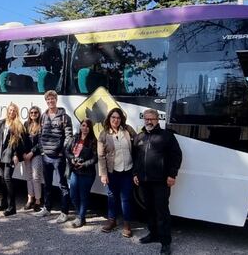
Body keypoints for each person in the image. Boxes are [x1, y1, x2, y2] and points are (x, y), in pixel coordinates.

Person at [133, 109, 183, 255]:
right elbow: (135, 157)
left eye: (152, 119)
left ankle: (165, 242)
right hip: (144, 181)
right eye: (146, 119)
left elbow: (177, 156)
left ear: (157, 119)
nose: (149, 121)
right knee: (149, 210)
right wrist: (135, 173)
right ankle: (153, 234)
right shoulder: (139, 137)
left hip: (161, 181)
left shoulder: (167, 136)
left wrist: (172, 175)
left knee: (162, 212)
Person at [34, 90, 73, 224]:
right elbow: (40, 135)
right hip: (46, 157)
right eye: (48, 100)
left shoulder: (64, 117)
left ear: (56, 100)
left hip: (58, 157)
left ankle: (64, 212)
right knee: (47, 185)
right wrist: (42, 151)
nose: (50, 101)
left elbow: (69, 137)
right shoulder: (43, 116)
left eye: (52, 99)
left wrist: (62, 151)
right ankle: (47, 208)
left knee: (63, 185)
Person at [98, 108, 137, 237]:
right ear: (109, 119)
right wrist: (103, 174)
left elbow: (137, 142)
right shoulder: (103, 134)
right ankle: (112, 220)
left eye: (118, 118)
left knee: (126, 199)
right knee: (112, 197)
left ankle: (127, 224)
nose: (116, 120)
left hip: (127, 171)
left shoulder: (127, 130)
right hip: (112, 172)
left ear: (122, 119)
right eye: (113, 117)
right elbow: (101, 156)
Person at [0, 103, 28, 217]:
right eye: (10, 110)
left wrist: (16, 155)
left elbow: (19, 143)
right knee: (3, 179)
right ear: (7, 111)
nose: (11, 112)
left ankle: (12, 207)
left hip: (10, 154)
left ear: (16, 112)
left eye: (14, 111)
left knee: (8, 179)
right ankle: (4, 203)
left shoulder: (18, 125)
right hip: (0, 154)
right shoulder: (1, 122)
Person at [65, 118, 98, 228]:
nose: (85, 128)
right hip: (75, 171)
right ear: (80, 126)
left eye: (87, 126)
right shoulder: (75, 138)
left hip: (87, 173)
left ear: (90, 128)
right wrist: (71, 159)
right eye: (83, 125)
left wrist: (84, 164)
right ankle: (81, 215)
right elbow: (66, 151)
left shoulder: (93, 140)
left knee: (84, 196)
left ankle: (80, 218)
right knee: (73, 195)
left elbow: (95, 158)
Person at [22, 105, 43, 211]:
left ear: (39, 114)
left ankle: (38, 201)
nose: (33, 114)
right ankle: (30, 199)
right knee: (29, 177)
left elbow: (41, 142)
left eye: (35, 112)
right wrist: (24, 153)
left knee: (36, 177)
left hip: (37, 154)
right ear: (29, 114)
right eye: (31, 113)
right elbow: (23, 140)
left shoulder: (41, 125)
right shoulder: (26, 124)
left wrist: (32, 152)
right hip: (26, 155)